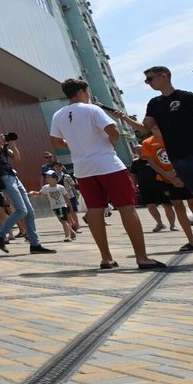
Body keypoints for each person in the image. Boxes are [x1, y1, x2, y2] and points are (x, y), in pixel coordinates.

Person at [49, 78, 165, 270]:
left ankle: (106, 258)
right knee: (127, 208)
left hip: (83, 169)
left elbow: (55, 141)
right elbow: (113, 130)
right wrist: (110, 143)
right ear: (82, 91)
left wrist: (76, 146)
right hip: (108, 165)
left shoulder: (58, 115)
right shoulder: (92, 109)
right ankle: (142, 257)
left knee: (95, 212)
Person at [139, 66, 193, 260]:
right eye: (146, 80)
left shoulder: (188, 98)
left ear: (164, 76)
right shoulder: (154, 103)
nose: (148, 83)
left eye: (150, 79)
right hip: (178, 161)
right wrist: (123, 119)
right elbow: (144, 128)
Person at [0, 119, 54, 255]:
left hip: (13, 176)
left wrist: (12, 145)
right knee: (21, 210)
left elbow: (17, 158)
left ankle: (35, 245)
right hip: (3, 177)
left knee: (30, 212)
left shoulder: (1, 144)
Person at [139, 133, 193, 253]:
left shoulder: (174, 136)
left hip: (185, 174)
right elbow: (152, 162)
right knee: (178, 206)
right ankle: (191, 242)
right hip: (165, 179)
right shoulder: (147, 142)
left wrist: (177, 174)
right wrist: (169, 176)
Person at [129, 145, 177, 232]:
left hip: (161, 184)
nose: (139, 151)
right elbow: (133, 175)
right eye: (137, 150)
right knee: (150, 206)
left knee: (167, 205)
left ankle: (172, 225)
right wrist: (134, 185)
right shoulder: (135, 162)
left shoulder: (154, 158)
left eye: (141, 149)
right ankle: (159, 224)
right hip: (145, 187)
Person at [29, 171, 78, 241]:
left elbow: (66, 198)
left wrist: (70, 207)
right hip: (54, 207)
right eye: (46, 177)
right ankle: (72, 232)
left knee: (63, 221)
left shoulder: (60, 187)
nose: (47, 179)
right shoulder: (46, 187)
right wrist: (33, 192)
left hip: (62, 206)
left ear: (55, 178)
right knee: (62, 221)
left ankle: (67, 236)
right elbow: (41, 194)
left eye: (49, 177)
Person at [40, 152, 82, 234]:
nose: (48, 158)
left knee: (72, 211)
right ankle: (71, 226)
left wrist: (75, 193)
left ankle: (76, 226)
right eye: (46, 157)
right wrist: (43, 187)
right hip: (59, 196)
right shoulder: (44, 168)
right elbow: (43, 178)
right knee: (67, 213)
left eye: (50, 157)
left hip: (68, 194)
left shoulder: (61, 169)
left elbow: (69, 180)